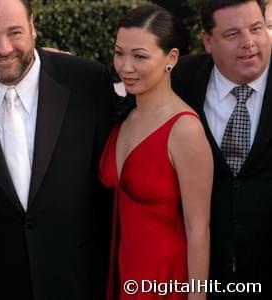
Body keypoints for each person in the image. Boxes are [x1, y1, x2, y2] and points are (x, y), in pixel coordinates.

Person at [0, 0, 115, 299]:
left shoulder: (87, 81)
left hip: (76, 280)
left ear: (33, 27)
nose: (5, 48)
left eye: (15, 32)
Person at [100, 5, 213, 300]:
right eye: (119, 53)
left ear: (171, 59)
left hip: (165, 282)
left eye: (139, 56)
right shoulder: (123, 119)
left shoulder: (185, 130)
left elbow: (198, 229)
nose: (125, 66)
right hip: (123, 276)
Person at [172, 0, 272, 298]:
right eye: (233, 35)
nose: (249, 43)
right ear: (207, 41)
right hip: (206, 275)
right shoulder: (181, 80)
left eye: (257, 28)